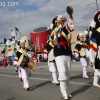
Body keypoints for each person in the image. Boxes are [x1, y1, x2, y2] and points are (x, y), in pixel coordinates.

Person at [44, 14, 74, 99]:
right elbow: (50, 44)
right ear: (56, 23)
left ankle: (66, 91)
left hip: (67, 53)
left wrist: (70, 18)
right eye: (59, 22)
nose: (61, 23)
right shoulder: (54, 32)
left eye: (62, 22)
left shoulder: (64, 29)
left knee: (68, 74)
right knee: (62, 72)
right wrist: (45, 52)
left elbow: (70, 27)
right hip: (58, 54)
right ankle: (64, 93)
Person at [89, 10, 100, 88]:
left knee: (98, 69)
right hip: (99, 53)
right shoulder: (96, 32)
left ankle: (95, 82)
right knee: (98, 68)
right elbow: (92, 48)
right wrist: (92, 59)